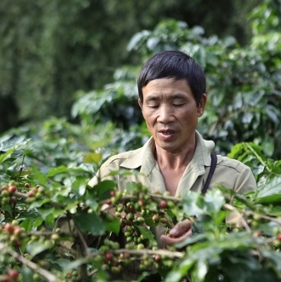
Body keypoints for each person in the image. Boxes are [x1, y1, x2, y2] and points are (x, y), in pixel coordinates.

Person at [89, 50, 256, 247]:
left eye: (177, 103)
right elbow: (71, 241)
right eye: (153, 105)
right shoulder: (115, 174)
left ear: (200, 105)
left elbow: (255, 251)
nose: (165, 116)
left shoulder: (235, 178)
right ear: (141, 107)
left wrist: (206, 235)